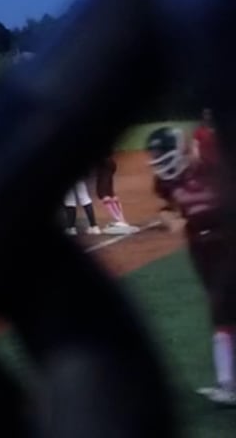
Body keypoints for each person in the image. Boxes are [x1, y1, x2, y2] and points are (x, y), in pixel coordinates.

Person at [148, 126, 236, 406]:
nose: (159, 160)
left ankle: (228, 384)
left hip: (228, 241)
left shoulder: (212, 167)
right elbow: (166, 206)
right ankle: (227, 383)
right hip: (200, 247)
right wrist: (168, 217)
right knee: (220, 311)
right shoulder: (167, 182)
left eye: (161, 153)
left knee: (222, 309)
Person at [94, 154, 136, 234]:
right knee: (110, 193)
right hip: (109, 163)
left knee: (104, 195)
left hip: (104, 164)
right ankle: (122, 220)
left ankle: (121, 221)